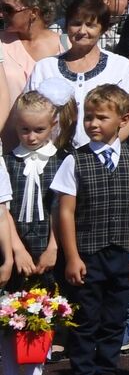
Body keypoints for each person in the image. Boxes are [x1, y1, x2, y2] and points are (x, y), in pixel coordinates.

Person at [52, 85, 129, 375]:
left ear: (123, 119)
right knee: (85, 318)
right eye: (88, 117)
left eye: (101, 117)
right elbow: (64, 210)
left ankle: (108, 374)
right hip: (88, 254)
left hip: (123, 251)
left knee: (114, 318)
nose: (93, 123)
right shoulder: (74, 161)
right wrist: (72, 256)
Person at [28, 0, 129, 140]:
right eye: (76, 23)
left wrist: (103, 150)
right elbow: (28, 111)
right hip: (52, 156)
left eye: (90, 25)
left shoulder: (121, 66)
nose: (82, 31)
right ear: (67, 26)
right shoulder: (45, 67)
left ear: (103, 29)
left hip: (101, 158)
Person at [6, 92, 61, 284]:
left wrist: (53, 247)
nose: (31, 137)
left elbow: (61, 207)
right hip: (16, 248)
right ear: (16, 125)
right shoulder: (7, 162)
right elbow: (3, 211)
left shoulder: (62, 161)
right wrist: (17, 249)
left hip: (52, 250)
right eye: (25, 129)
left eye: (39, 129)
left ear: (52, 125)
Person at [0, 0, 66, 120]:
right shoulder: (1, 43)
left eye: (8, 9)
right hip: (8, 139)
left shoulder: (65, 46)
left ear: (33, 12)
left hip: (54, 140)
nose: (1, 14)